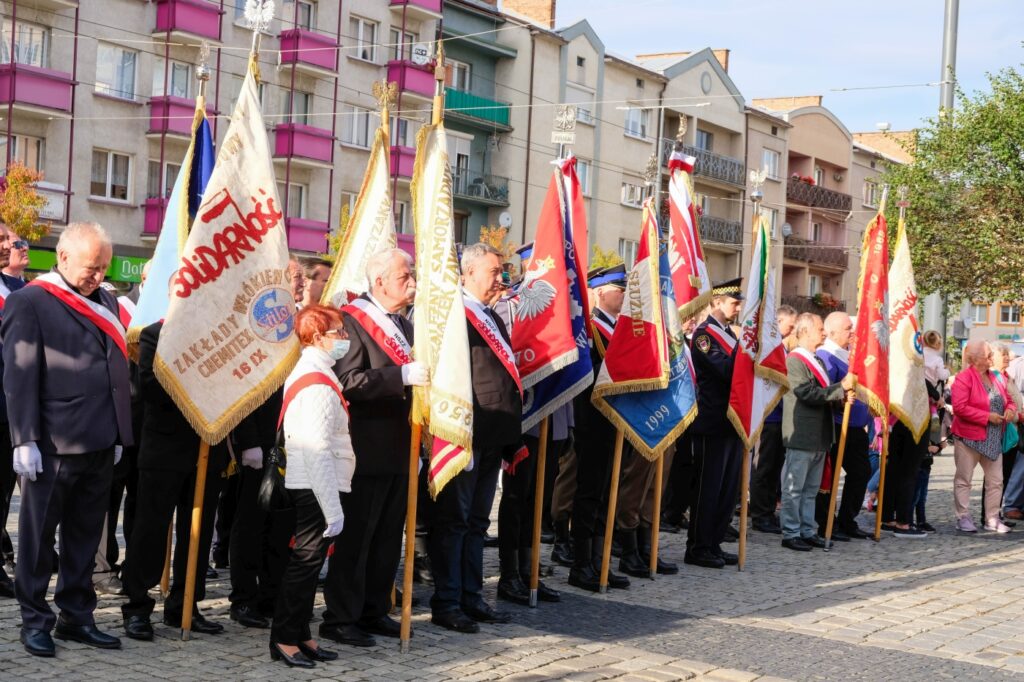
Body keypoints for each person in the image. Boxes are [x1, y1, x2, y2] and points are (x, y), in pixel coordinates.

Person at [3, 222, 133, 657]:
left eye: (102, 267)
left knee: (83, 536)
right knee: (38, 540)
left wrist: (118, 429)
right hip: (52, 442)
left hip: (99, 438)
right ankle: (35, 619)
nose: (97, 275)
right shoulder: (30, 301)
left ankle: (76, 616)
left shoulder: (106, 299)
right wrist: (24, 438)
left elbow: (114, 369)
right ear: (62, 258)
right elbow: (19, 373)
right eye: (90, 267)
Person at [320, 248, 425, 647]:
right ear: (379, 281)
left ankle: (374, 609)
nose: (412, 282)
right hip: (364, 449)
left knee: (387, 538)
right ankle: (340, 618)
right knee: (357, 538)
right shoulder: (353, 321)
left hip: (401, 447)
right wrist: (400, 376)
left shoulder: (407, 325)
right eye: (404, 277)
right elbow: (349, 381)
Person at [428, 243, 522, 633]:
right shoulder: (455, 315)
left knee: (479, 524)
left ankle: (471, 596)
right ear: (466, 274)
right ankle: (447, 601)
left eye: (501, 270)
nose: (499, 277)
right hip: (464, 435)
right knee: (454, 521)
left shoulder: (490, 316)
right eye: (493, 271)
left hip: (492, 437)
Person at [120, 318, 230, 640]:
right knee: (150, 529)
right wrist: (203, 383)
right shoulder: (154, 335)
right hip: (165, 449)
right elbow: (152, 388)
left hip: (208, 447)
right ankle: (138, 606)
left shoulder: (220, 332)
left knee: (197, 530)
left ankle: (184, 605)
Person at [270, 304, 354, 668]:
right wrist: (332, 509)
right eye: (339, 333)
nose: (345, 339)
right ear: (317, 337)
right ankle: (284, 638)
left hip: (316, 483)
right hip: (316, 486)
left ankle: (301, 632)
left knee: (310, 561)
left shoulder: (319, 372)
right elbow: (317, 448)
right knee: (305, 564)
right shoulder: (316, 382)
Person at [567, 265, 630, 592]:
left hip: (614, 417)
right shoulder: (591, 328)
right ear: (601, 292)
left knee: (608, 491)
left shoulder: (619, 328)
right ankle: (582, 563)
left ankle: (600, 559)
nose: (623, 294)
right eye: (619, 289)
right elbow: (585, 370)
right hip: (592, 417)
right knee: (590, 491)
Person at [779, 313, 856, 551]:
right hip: (802, 433)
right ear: (805, 331)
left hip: (820, 434)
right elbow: (805, 393)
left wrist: (842, 398)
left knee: (811, 489)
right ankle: (791, 532)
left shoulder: (818, 361)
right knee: (794, 488)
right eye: (820, 328)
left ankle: (807, 530)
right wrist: (839, 389)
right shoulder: (795, 360)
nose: (824, 333)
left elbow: (824, 394)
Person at [686, 279, 745, 569]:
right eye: (733, 302)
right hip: (711, 421)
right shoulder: (704, 335)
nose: (737, 306)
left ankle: (714, 542)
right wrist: (747, 355)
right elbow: (724, 370)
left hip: (731, 421)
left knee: (726, 489)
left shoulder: (730, 336)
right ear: (717, 302)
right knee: (708, 488)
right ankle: (698, 545)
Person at [815, 311, 872, 540]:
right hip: (837, 425)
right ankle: (826, 522)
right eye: (848, 328)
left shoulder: (849, 354)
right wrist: (840, 399)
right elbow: (826, 388)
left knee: (861, 472)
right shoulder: (826, 356)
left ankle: (848, 519)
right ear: (832, 331)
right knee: (830, 475)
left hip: (856, 426)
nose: (853, 332)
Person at [950, 340, 1016, 533]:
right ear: (974, 358)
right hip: (968, 437)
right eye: (987, 355)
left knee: (996, 480)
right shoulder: (963, 378)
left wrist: (1010, 410)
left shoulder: (995, 378)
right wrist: (987, 417)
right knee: (964, 479)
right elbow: (960, 408)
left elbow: (1009, 399)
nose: (990, 359)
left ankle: (992, 519)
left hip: (994, 438)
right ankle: (962, 517)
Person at [749, 305, 797, 534]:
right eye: (790, 324)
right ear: (778, 322)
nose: (793, 328)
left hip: (781, 415)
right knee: (764, 467)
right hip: (767, 416)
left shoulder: (782, 347)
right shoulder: (767, 346)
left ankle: (768, 511)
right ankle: (759, 515)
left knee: (775, 466)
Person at [0, 224, 21, 596]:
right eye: (4, 239)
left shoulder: (24, 290)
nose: (13, 245)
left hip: (12, 410)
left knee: (4, 494)